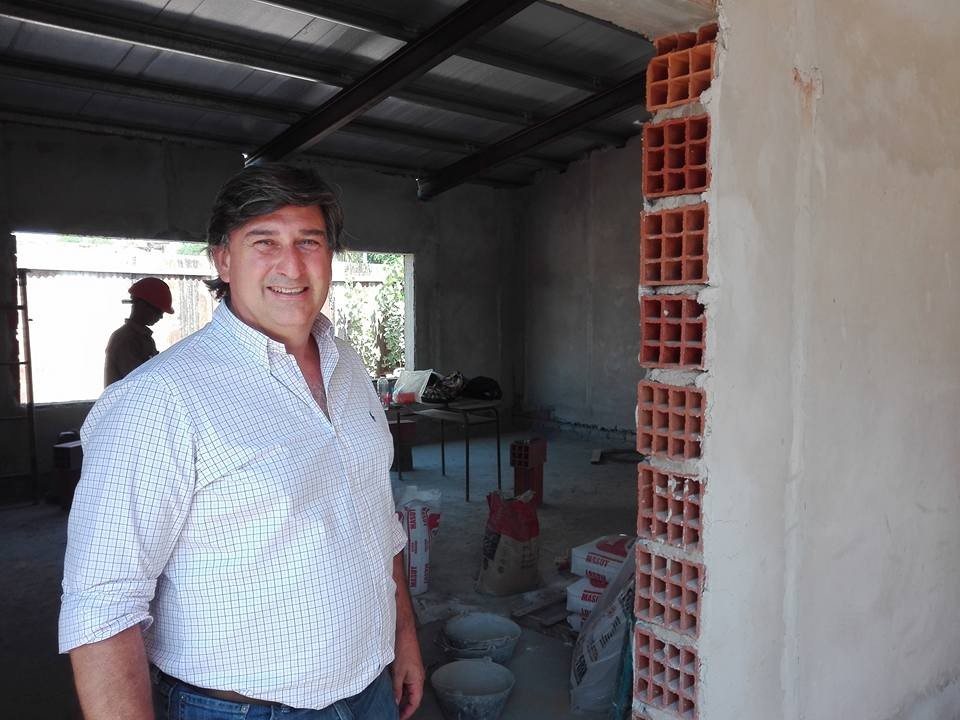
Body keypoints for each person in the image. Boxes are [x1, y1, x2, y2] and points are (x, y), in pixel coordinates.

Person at [60, 163, 424, 720]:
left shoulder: (349, 367)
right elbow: (102, 606)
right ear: (223, 259)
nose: (291, 265)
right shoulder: (158, 400)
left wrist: (404, 637)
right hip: (243, 709)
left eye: (309, 241)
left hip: (371, 687)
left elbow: (378, 522)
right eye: (264, 241)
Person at [103, 276, 174, 386]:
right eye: (159, 311)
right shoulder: (125, 340)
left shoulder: (143, 338)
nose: (161, 317)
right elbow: (139, 382)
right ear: (142, 305)